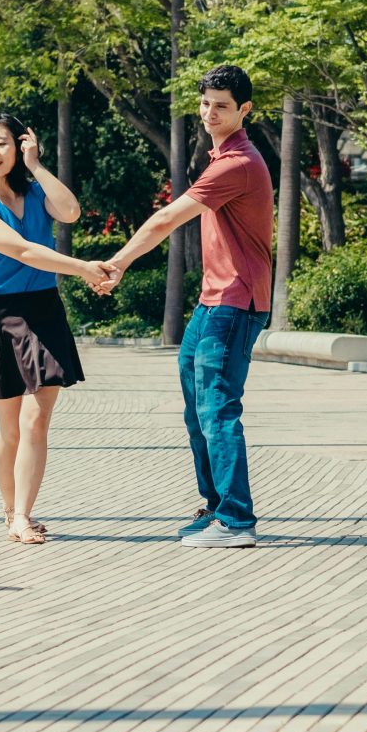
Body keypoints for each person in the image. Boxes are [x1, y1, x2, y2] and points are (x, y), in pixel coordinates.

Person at [101, 64, 275, 549]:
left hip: (235, 302)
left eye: (221, 106)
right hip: (213, 300)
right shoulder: (222, 156)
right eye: (204, 104)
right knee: (197, 409)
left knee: (217, 407)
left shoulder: (236, 163)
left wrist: (118, 263)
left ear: (244, 110)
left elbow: (166, 220)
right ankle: (218, 507)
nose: (209, 113)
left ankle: (238, 520)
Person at [0, 111, 116, 545]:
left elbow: (70, 211)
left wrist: (38, 166)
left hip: (44, 310)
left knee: (37, 418)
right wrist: (84, 268)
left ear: (20, 145)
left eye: (2, 143)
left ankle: (23, 515)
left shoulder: (34, 190)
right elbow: (25, 251)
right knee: (10, 428)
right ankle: (10, 512)